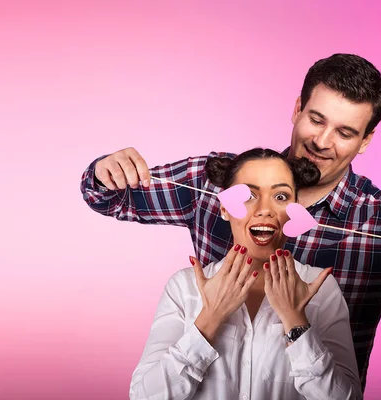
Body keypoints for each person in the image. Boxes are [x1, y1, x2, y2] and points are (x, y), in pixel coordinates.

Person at [81, 53, 381, 389]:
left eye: (345, 132)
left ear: (366, 141)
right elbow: (110, 198)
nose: (321, 141)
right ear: (297, 108)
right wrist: (106, 169)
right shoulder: (220, 180)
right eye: (316, 119)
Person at [129, 148, 362, 400]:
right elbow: (144, 396)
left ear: (297, 209)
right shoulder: (184, 288)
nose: (265, 210)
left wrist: (295, 321)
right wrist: (209, 319)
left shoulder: (320, 289)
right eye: (249, 196)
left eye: (280, 196)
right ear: (224, 209)